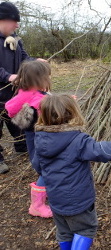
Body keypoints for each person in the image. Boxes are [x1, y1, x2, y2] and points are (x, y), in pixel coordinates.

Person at [32, 94, 111, 250]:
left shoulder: (40, 140)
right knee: (86, 229)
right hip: (78, 202)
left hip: (56, 200)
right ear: (72, 114)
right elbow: (101, 151)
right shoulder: (78, 140)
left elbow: (38, 166)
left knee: (64, 232)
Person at [0, 2, 46, 173]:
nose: (17, 24)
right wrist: (8, 76)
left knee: (16, 122)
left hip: (13, 92)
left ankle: (21, 147)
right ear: (3, 20)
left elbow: (24, 58)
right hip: (1, 89)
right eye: (14, 21)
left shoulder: (16, 39)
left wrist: (35, 62)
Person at [5, 60, 53, 218]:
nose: (49, 80)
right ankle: (37, 205)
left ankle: (46, 195)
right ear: (37, 80)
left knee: (45, 167)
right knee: (45, 169)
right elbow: (52, 112)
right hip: (41, 139)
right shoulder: (35, 98)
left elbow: (11, 107)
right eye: (46, 77)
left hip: (37, 136)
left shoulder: (29, 93)